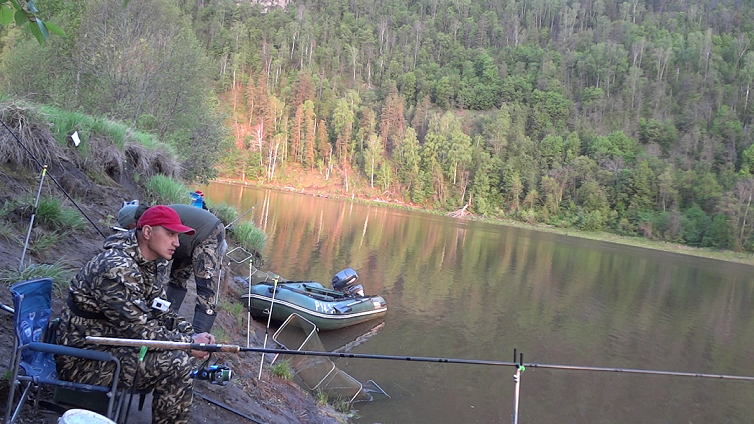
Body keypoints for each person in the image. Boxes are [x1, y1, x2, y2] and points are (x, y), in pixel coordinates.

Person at [56, 205, 215, 424]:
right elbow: (141, 332)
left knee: (182, 355)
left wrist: (192, 334)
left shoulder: (149, 264)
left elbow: (161, 311)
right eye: (170, 234)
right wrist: (189, 343)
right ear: (148, 232)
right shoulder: (116, 268)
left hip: (112, 348)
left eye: (178, 236)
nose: (177, 243)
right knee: (178, 362)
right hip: (84, 359)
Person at [118, 202, 226, 333]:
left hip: (208, 232)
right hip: (186, 243)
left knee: (205, 286)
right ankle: (168, 318)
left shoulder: (156, 223)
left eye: (130, 228)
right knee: (177, 278)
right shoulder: (154, 223)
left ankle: (200, 335)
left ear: (135, 224)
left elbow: (157, 274)